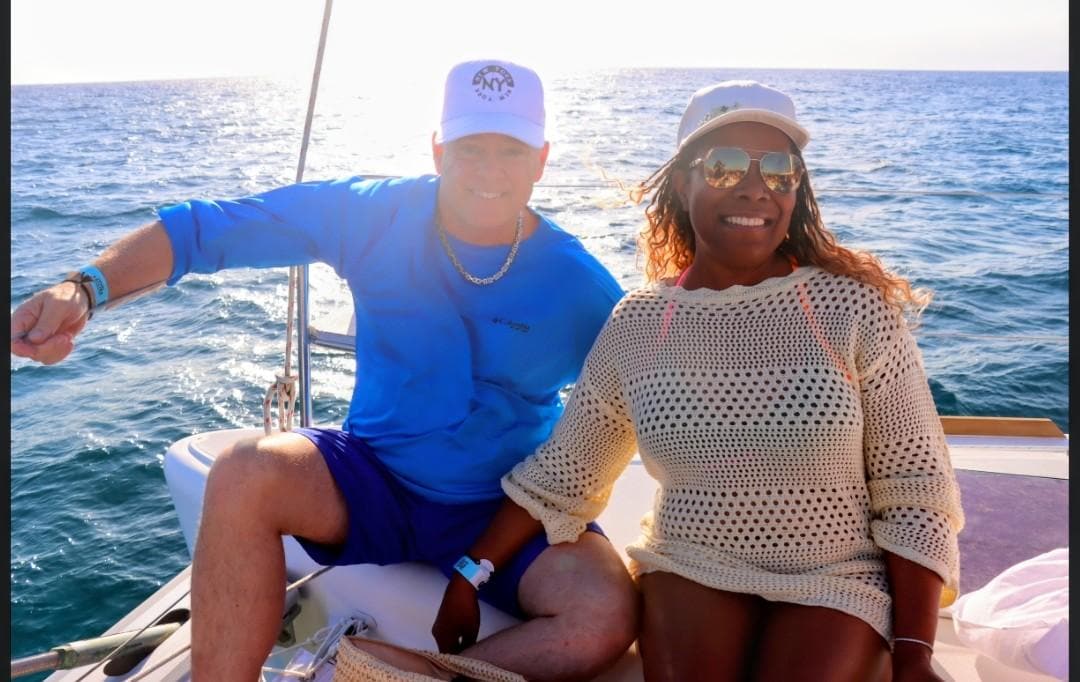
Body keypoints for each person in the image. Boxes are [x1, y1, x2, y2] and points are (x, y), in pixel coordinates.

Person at [10, 59, 639, 681]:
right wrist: (84, 289)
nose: (489, 171)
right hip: (373, 475)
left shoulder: (580, 287)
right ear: (437, 150)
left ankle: (411, 673)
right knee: (244, 471)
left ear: (542, 159)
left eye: (511, 151)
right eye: (470, 148)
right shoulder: (373, 215)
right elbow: (205, 230)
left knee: (605, 613)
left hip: (499, 507)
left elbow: (647, 394)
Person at [433, 80, 965, 681]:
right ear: (682, 183)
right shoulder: (639, 324)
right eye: (724, 165)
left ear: (797, 190)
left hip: (836, 574)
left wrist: (915, 654)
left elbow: (915, 489)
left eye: (779, 170)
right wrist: (468, 576)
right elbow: (563, 475)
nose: (755, 187)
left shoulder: (851, 309)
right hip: (691, 565)